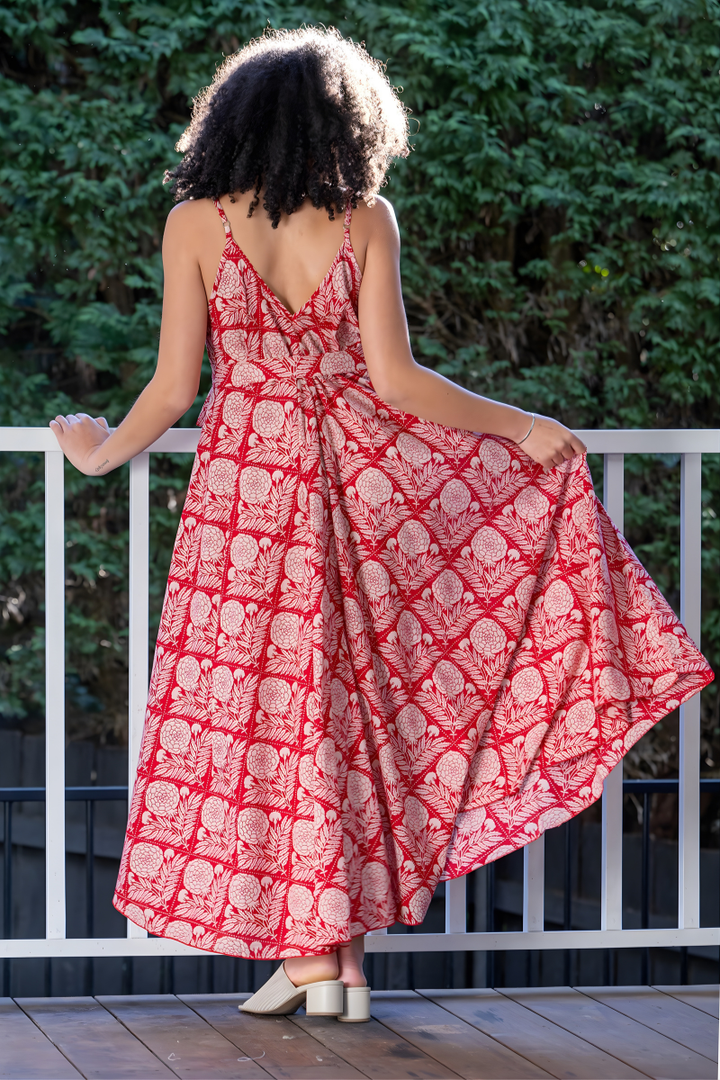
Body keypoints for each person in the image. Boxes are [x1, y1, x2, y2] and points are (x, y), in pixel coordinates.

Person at [50, 27, 712, 1023]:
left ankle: (318, 960)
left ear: (233, 124)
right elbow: (398, 384)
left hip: (244, 508)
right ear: (348, 126)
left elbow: (174, 388)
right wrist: (521, 425)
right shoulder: (366, 222)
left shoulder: (194, 223)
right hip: (356, 495)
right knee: (348, 713)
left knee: (272, 721)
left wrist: (97, 450)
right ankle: (329, 961)